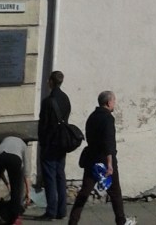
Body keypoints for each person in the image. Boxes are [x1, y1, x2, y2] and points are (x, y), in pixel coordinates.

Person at [68, 92, 134, 225]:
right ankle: (121, 221)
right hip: (105, 160)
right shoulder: (108, 118)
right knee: (115, 192)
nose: (114, 103)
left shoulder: (92, 117)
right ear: (109, 103)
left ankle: (73, 221)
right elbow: (109, 142)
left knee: (84, 192)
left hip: (92, 160)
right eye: (114, 101)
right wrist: (110, 164)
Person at [37, 70, 71, 220]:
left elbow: (43, 126)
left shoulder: (47, 102)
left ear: (51, 81)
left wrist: (42, 142)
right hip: (62, 142)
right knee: (60, 175)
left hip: (50, 143)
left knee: (50, 178)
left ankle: (51, 210)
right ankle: (62, 210)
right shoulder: (65, 99)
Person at [0, 135, 31, 225]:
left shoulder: (4, 142)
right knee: (16, 190)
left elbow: (0, 171)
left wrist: (7, 183)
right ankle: (14, 218)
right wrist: (28, 193)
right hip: (14, 159)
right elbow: (27, 172)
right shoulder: (22, 144)